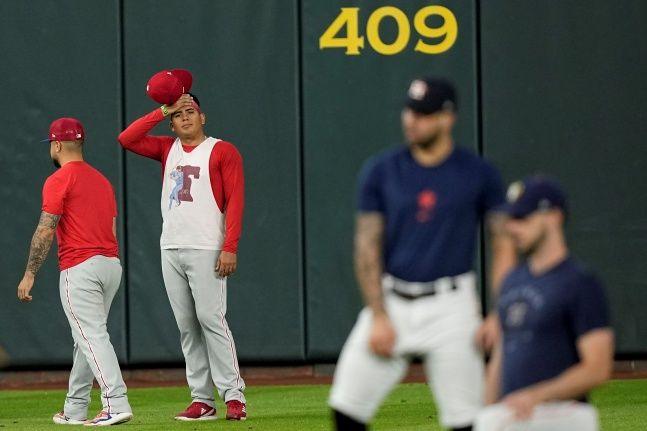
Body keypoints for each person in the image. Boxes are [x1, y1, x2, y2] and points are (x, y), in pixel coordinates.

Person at [328, 77, 516, 431]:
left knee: (467, 420)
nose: (412, 120)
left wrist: (498, 311)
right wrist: (378, 314)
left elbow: (503, 244)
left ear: (448, 118)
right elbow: (367, 246)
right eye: (410, 111)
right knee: (346, 410)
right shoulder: (382, 170)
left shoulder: (478, 172)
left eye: (424, 113)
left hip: (453, 306)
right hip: (393, 299)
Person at [118, 92, 247, 421]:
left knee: (211, 319)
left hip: (207, 246)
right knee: (187, 327)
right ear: (172, 123)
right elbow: (127, 139)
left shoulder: (221, 150)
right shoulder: (167, 149)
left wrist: (230, 245)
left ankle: (234, 396)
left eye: (190, 111)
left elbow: (235, 200)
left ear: (203, 118)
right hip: (171, 246)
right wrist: (162, 109)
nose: (185, 117)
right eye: (178, 115)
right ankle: (202, 400)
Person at [17, 117, 133, 426]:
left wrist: (30, 273)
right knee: (85, 337)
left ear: (56, 145)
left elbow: (45, 230)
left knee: (91, 335)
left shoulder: (59, 179)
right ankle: (75, 408)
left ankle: (115, 402)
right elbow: (111, 228)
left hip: (80, 266)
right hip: (110, 265)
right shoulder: (102, 180)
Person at [475, 176, 614, 431]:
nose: (513, 228)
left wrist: (537, 395)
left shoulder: (580, 283)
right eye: (512, 219)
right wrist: (486, 412)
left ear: (554, 216)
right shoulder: (511, 282)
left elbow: (598, 368)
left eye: (523, 218)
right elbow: (501, 356)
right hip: (512, 416)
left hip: (564, 415)